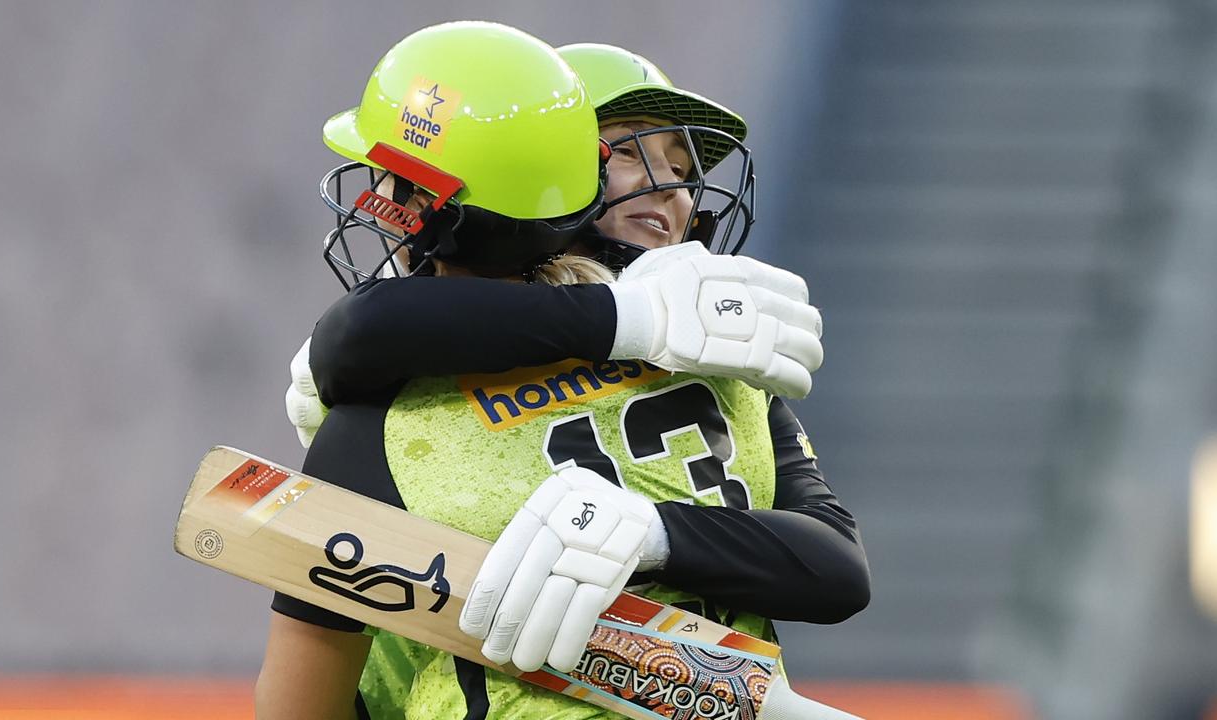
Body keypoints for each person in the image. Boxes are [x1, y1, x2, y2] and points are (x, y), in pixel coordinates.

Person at [261, 28, 865, 720]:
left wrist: (652, 531)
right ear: (551, 170)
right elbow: (365, 328)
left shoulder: (722, 368)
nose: (673, 188)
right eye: (632, 151)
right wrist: (628, 317)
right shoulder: (387, 386)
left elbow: (837, 569)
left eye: (681, 164)